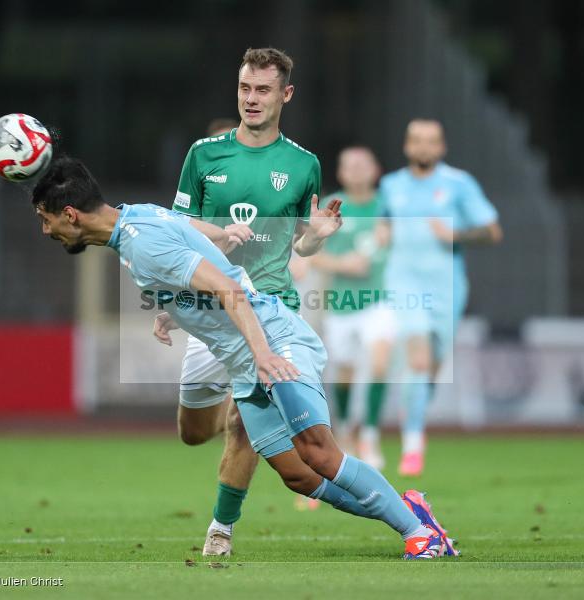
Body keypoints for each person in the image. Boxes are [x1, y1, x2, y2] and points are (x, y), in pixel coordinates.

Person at [31, 156, 457, 560]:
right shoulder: (135, 218)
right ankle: (412, 512)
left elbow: (229, 289)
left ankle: (420, 536)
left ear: (70, 214)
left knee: (319, 451)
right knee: (299, 475)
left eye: (45, 219)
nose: (46, 231)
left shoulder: (143, 244)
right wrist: (173, 311)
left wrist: (264, 354)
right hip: (245, 360)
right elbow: (197, 246)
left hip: (272, 339)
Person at [161, 47, 336, 556]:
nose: (251, 99)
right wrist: (215, 238)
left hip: (270, 309)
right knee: (194, 432)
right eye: (244, 88)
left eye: (262, 90)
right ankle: (223, 404)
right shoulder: (203, 155)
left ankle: (221, 529)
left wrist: (319, 236)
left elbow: (299, 244)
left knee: (244, 424)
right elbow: (176, 230)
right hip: (212, 310)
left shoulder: (304, 165)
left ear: (286, 95)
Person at [380, 119, 502, 477]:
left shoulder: (459, 184)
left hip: (447, 288)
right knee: (417, 359)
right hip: (402, 283)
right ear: (407, 146)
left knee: (431, 364)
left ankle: (414, 406)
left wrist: (456, 234)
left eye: (431, 141)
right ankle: (413, 442)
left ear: (441, 147)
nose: (423, 147)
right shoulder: (390, 186)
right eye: (417, 140)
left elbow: (492, 231)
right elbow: (381, 224)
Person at [308, 146, 393, 469]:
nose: (356, 171)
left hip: (378, 301)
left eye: (362, 165)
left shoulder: (387, 206)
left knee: (380, 363)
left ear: (375, 170)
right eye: (349, 165)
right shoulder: (333, 207)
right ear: (341, 173)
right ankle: (344, 430)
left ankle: (369, 434)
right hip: (341, 305)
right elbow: (312, 255)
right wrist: (344, 264)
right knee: (344, 371)